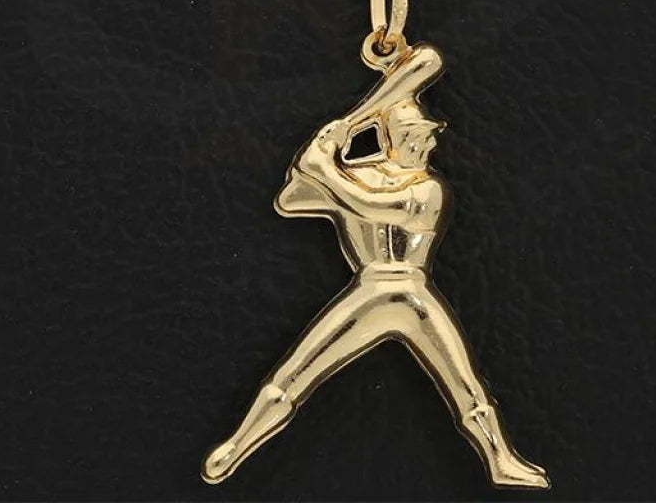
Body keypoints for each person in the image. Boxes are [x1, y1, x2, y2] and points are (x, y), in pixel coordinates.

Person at [202, 43, 549, 489]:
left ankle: (501, 460)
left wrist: (324, 168)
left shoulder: (429, 189)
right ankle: (235, 447)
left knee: (468, 387)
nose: (428, 141)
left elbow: (370, 205)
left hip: (414, 294)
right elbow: (290, 200)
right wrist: (321, 154)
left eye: (427, 134)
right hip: (368, 292)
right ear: (389, 139)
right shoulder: (359, 175)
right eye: (416, 134)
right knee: (291, 376)